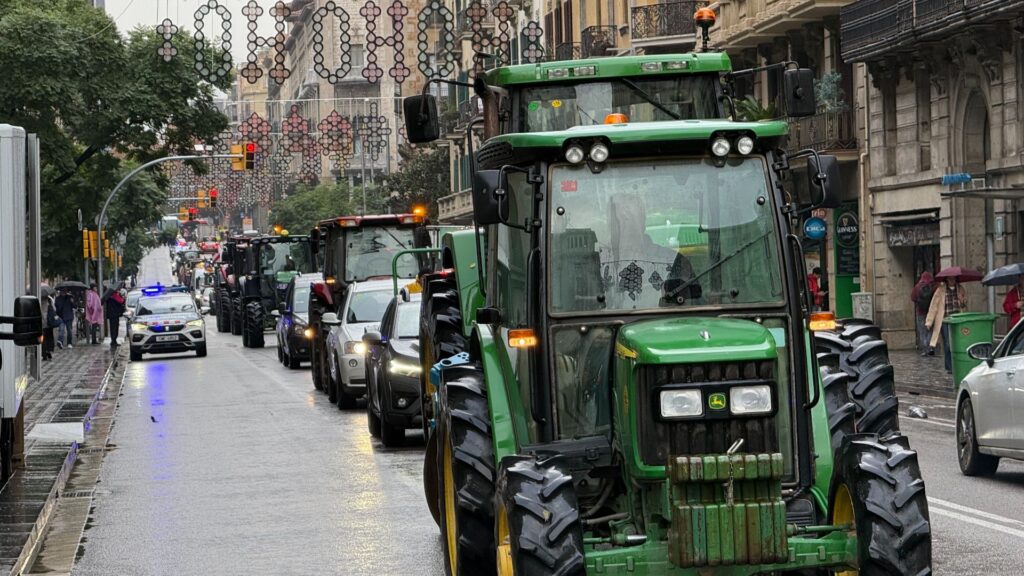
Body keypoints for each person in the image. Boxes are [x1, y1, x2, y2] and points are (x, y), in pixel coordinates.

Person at [926, 277, 967, 373]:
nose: (952, 280)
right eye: (950, 279)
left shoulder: (960, 289)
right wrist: (929, 321)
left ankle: (958, 364)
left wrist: (962, 300)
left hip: (958, 320)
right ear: (947, 280)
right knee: (948, 344)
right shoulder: (940, 290)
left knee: (958, 342)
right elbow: (933, 306)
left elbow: (964, 305)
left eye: (953, 279)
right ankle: (949, 367)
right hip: (945, 320)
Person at [911, 271, 935, 356]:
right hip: (931, 312)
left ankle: (925, 349)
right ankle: (931, 347)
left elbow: (913, 298)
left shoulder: (917, 287)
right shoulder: (933, 286)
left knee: (922, 331)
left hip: (920, 312)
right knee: (930, 330)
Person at [105, 285, 127, 350]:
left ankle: (113, 340)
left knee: (113, 328)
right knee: (114, 328)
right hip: (114, 314)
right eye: (118, 289)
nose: (118, 290)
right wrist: (122, 297)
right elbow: (121, 301)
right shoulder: (114, 295)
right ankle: (114, 341)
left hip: (112, 315)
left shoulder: (109, 297)